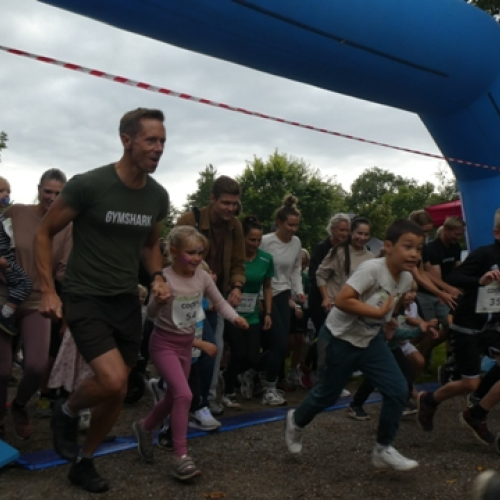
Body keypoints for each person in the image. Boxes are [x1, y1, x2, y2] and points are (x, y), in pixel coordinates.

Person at [35, 108, 170, 493]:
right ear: (127, 140)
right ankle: (66, 409)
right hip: (85, 295)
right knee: (112, 379)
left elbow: (150, 245)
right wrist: (48, 290)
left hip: (125, 299)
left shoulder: (157, 196)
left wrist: (157, 276)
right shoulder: (90, 185)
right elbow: (44, 232)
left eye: (162, 141)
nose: (159, 148)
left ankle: (85, 461)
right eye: (151, 140)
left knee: (119, 388)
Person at [285, 219, 424, 471]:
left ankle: (383, 448)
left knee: (398, 389)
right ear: (389, 246)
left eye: (418, 248)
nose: (414, 253)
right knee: (327, 394)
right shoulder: (372, 269)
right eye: (408, 246)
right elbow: (343, 300)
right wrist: (378, 314)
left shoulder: (405, 278)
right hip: (340, 338)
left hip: (371, 340)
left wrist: (389, 322)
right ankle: (296, 420)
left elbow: (387, 305)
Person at [132, 226, 248, 480]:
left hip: (186, 346)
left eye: (200, 253)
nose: (197, 258)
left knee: (173, 397)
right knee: (184, 394)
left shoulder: (202, 277)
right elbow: (150, 315)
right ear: (174, 252)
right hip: (163, 345)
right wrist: (157, 302)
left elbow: (220, 302)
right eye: (191, 253)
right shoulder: (164, 278)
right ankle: (181, 456)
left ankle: (145, 426)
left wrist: (235, 318)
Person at [416, 208, 500, 445]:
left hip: (493, 325)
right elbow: (454, 278)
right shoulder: (485, 254)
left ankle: (476, 414)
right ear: (497, 233)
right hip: (469, 325)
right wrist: (480, 281)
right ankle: (429, 399)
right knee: (470, 382)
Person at [0, 168, 71, 440]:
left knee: (37, 366)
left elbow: (64, 271)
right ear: (39, 189)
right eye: (47, 191)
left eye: (58, 193)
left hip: (37, 300)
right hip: (4, 295)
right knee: (2, 370)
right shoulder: (16, 212)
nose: (52, 197)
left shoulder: (67, 228)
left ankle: (19, 405)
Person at [176, 175, 245, 416]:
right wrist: (201, 273)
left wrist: (237, 286)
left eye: (234, 203)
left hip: (216, 299)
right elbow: (171, 257)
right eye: (226, 203)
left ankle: (202, 401)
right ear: (212, 199)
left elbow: (238, 262)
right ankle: (189, 401)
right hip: (187, 298)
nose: (231, 209)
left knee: (212, 350)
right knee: (191, 351)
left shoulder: (235, 226)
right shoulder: (189, 221)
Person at [221, 215, 274, 407]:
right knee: (239, 353)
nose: (255, 244)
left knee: (252, 357)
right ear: (242, 238)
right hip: (231, 313)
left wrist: (268, 313)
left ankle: (228, 375)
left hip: (251, 314)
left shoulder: (266, 259)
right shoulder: (234, 259)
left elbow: (267, 287)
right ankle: (228, 392)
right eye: (252, 239)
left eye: (259, 240)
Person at [259, 195, 305, 404]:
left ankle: (252, 371)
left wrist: (299, 291)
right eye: (290, 225)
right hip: (266, 294)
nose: (293, 229)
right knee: (277, 343)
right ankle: (269, 387)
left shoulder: (296, 243)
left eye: (296, 225)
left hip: (283, 294)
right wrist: (260, 298)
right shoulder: (266, 241)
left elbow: (295, 269)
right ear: (279, 222)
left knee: (282, 344)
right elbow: (259, 269)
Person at [0, 176, 32, 335]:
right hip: (4, 260)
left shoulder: (4, 216)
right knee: (25, 283)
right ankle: (4, 316)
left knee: (19, 283)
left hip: (8, 258)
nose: (6, 194)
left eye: (8, 191)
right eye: (1, 191)